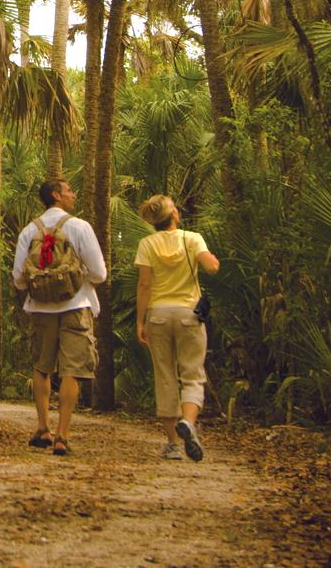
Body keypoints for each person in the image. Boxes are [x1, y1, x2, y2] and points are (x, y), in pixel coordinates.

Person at [11, 178, 107, 457]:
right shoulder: (80, 227)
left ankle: (43, 428)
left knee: (42, 367)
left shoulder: (29, 231)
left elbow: (18, 278)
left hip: (40, 308)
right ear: (56, 195)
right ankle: (63, 436)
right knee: (71, 371)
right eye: (69, 191)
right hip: (76, 306)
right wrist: (76, 277)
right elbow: (100, 273)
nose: (73, 195)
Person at [134, 194, 220, 461]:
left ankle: (172, 443)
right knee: (192, 374)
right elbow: (212, 266)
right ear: (174, 216)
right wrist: (207, 260)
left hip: (158, 315)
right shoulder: (192, 239)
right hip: (188, 315)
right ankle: (189, 423)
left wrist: (141, 320)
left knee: (165, 375)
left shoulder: (147, 243)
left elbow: (144, 285)